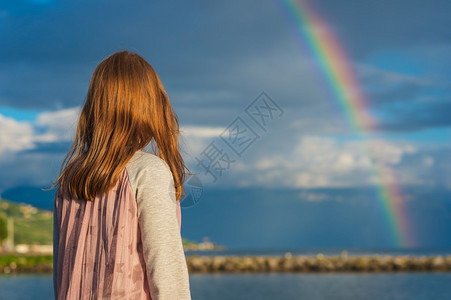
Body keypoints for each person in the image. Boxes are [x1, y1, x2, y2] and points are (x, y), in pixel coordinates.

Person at [51, 50, 192, 299]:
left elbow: (61, 273)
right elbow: (167, 274)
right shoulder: (148, 172)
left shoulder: (71, 179)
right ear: (150, 105)